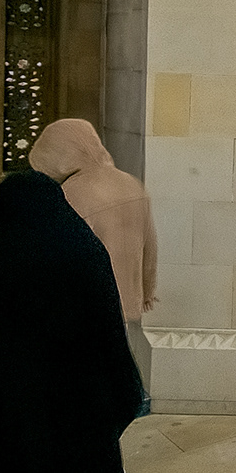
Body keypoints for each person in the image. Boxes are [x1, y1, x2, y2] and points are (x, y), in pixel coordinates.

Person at [0, 170, 144, 473]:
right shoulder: (88, 253)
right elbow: (110, 340)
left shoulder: (1, 267)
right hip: (84, 432)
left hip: (14, 436)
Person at [29, 119, 159, 372]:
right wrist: (146, 289)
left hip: (86, 305)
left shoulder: (70, 194)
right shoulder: (131, 183)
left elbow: (64, 258)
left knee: (82, 370)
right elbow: (150, 245)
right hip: (122, 296)